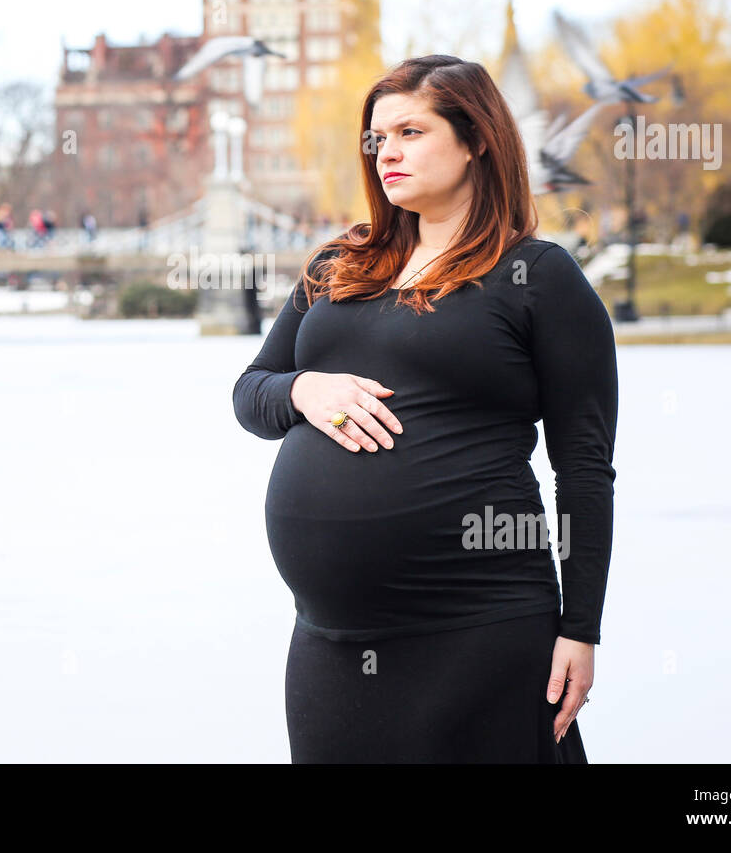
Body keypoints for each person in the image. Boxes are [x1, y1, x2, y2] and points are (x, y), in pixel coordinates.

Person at [232, 54, 617, 764]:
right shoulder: (336, 264)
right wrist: (302, 389)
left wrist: (580, 628)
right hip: (331, 643)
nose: (388, 152)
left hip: (480, 629)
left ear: (475, 139)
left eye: (411, 131)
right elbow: (250, 392)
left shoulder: (536, 277)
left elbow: (585, 470)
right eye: (377, 138)